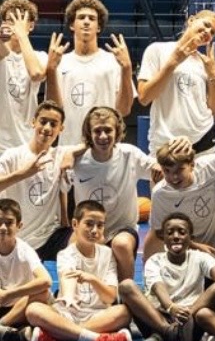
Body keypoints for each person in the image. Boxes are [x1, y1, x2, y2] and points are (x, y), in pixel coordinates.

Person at [62, 106, 157, 282]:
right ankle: (74, 300)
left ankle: (125, 295)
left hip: (122, 228)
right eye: (97, 131)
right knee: (72, 248)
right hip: (90, 227)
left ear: (118, 131)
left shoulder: (129, 154)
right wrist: (69, 154)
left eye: (108, 130)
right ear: (89, 134)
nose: (103, 136)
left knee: (121, 245)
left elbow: (158, 169)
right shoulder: (77, 160)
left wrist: (160, 165)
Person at [24, 200, 134, 341]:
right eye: (89, 224)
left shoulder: (108, 254)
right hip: (67, 314)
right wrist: (68, 296)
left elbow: (110, 298)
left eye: (100, 225)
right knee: (33, 310)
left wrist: (92, 279)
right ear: (75, 224)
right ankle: (97, 339)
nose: (95, 230)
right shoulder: (65, 254)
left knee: (124, 312)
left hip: (97, 315)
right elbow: (68, 277)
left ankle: (59, 336)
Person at [117, 212, 215, 341]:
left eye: (182, 232)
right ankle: (167, 331)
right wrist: (171, 307)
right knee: (126, 286)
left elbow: (214, 269)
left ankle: (161, 337)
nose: (176, 236)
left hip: (189, 319)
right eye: (170, 233)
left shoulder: (200, 257)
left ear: (191, 238)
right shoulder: (155, 260)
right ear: (164, 238)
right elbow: (157, 286)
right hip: (157, 317)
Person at [44, 0, 134, 149]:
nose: (86, 21)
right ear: (72, 25)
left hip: (106, 150)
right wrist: (50, 70)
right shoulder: (59, 62)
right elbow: (54, 110)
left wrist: (127, 68)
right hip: (69, 148)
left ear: (98, 27)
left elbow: (124, 110)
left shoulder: (113, 61)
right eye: (81, 17)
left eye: (92, 18)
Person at [136, 8, 215, 152]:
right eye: (206, 25)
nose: (208, 32)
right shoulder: (157, 50)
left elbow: (212, 111)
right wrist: (173, 62)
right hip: (166, 143)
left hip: (203, 142)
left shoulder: (206, 63)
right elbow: (144, 97)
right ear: (191, 20)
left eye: (213, 32)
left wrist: (213, 76)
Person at [0, 99, 72, 260]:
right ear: (33, 122)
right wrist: (23, 173)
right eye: (43, 121)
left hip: (50, 234)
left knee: (82, 241)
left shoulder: (60, 154)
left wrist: (65, 219)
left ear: (61, 128)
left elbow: (62, 189)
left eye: (53, 124)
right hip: (16, 236)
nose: (47, 128)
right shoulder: (13, 155)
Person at [0, 198, 53, 341]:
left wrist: (8, 294)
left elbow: (46, 280)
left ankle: (3, 325)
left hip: (20, 307)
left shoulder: (25, 251)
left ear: (19, 226)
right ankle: (18, 334)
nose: (3, 227)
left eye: (9, 222)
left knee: (43, 293)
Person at [0, 0, 48, 150]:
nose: (15, 24)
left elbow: (36, 74)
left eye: (21, 19)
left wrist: (21, 35)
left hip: (27, 142)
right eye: (10, 19)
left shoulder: (41, 56)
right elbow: (3, 54)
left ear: (31, 26)